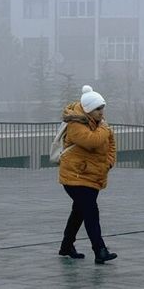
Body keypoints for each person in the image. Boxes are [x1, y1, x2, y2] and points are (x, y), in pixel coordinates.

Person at [57, 85, 118, 264]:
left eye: (102, 108)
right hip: (75, 176)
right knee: (91, 211)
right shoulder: (76, 124)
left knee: (79, 211)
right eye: (98, 108)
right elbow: (92, 141)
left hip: (91, 175)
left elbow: (111, 143)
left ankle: (66, 246)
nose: (102, 112)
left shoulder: (98, 123)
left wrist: (109, 162)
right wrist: (105, 129)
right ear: (89, 109)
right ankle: (100, 250)